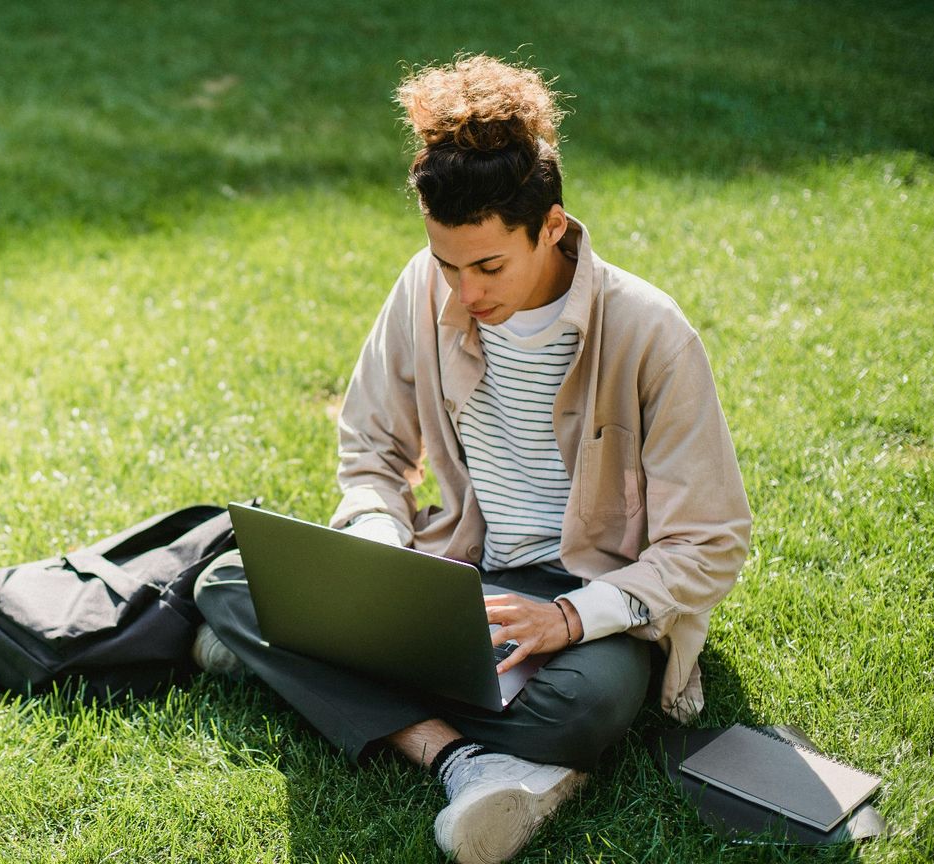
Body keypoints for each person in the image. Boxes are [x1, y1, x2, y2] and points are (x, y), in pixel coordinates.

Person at [191, 53, 751, 864]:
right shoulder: (423, 288)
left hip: (587, 597)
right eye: (446, 263)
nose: (464, 293)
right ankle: (464, 761)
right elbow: (372, 448)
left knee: (584, 709)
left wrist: (567, 619)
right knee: (229, 582)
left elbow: (711, 543)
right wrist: (379, 549)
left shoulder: (651, 333)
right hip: (457, 572)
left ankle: (303, 669)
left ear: (551, 227)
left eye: (489, 266)